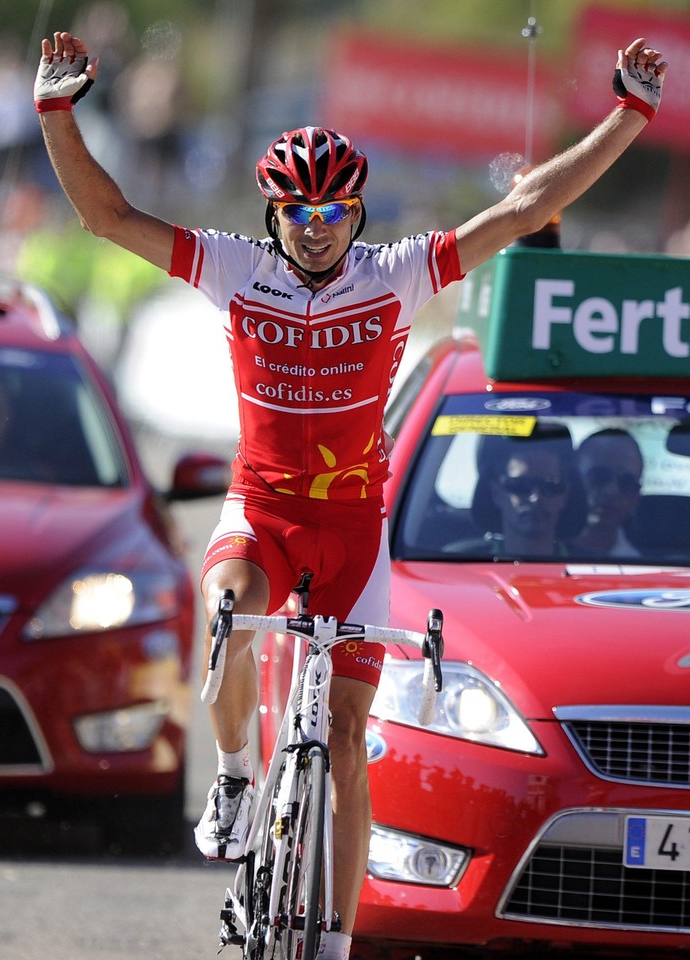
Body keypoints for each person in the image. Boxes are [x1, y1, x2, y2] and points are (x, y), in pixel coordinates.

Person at [33, 31, 667, 960]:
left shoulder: (396, 275)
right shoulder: (231, 267)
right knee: (226, 624)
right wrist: (55, 110)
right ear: (273, 212)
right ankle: (239, 776)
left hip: (354, 530)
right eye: (297, 209)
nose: (317, 224)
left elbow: (530, 202)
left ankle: (331, 942)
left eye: (334, 207)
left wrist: (629, 112)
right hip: (263, 511)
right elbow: (106, 215)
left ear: (358, 210)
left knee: (347, 738)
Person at [468, 427, 586, 557]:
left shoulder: (593, 569)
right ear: (496, 493)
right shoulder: (460, 568)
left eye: (550, 485)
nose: (535, 498)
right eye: (520, 485)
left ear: (565, 495)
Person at [571, 428, 643, 557]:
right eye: (599, 476)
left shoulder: (645, 569)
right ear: (572, 481)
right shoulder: (535, 552)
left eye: (626, 482)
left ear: (636, 497)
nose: (612, 491)